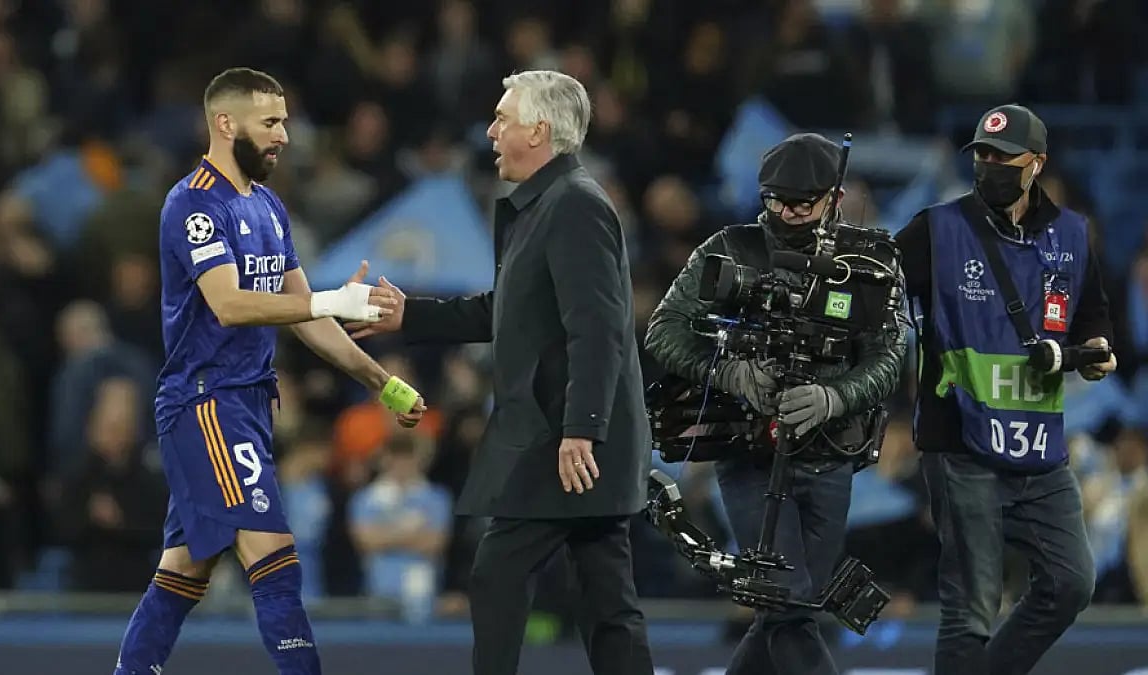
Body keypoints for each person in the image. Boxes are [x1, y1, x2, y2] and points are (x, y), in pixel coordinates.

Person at [111, 67, 426, 675]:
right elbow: (230, 304)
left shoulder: (269, 207)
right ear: (226, 124)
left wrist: (379, 381)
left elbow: (305, 316)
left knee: (184, 570)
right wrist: (327, 300)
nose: (286, 135)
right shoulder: (193, 204)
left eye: (286, 120)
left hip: (247, 403)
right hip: (206, 402)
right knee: (275, 559)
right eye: (272, 122)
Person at [346, 70, 654, 675]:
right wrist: (412, 314)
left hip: (563, 437)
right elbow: (507, 309)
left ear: (538, 130)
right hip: (565, 433)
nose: (489, 132)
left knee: (498, 575)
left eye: (502, 119)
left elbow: (599, 327)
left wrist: (582, 427)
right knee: (605, 599)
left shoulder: (576, 206)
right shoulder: (542, 205)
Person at [644, 133, 907, 675]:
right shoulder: (729, 248)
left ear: (833, 197)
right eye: (774, 200)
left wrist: (834, 396)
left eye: (800, 203)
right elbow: (662, 329)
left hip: (832, 452)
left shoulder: (871, 262)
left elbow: (889, 357)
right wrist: (731, 371)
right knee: (786, 600)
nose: (785, 213)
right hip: (747, 451)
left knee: (784, 609)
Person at [895, 103, 1117, 675]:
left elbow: (1092, 320)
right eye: (982, 155)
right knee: (971, 606)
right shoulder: (936, 229)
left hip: (1038, 447)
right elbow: (880, 292)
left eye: (1002, 157)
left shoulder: (1071, 236)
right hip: (960, 444)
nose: (988, 165)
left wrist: (1091, 354)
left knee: (1071, 583)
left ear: (1035, 164)